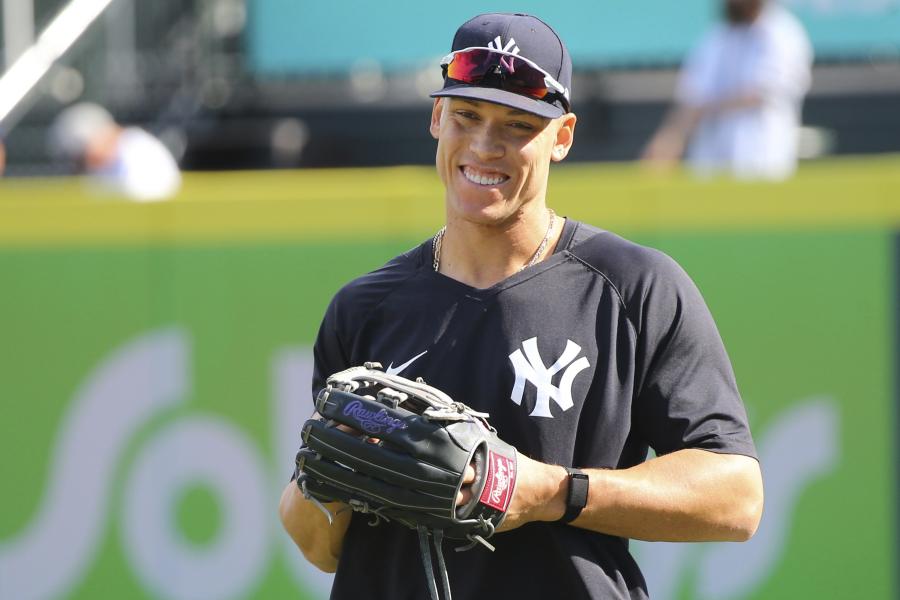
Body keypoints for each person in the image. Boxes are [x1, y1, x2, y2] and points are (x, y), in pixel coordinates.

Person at [280, 12, 763, 600]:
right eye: (467, 115)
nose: (485, 145)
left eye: (517, 125)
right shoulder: (364, 308)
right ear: (437, 118)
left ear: (562, 137)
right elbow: (321, 548)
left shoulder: (632, 287)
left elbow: (736, 497)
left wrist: (549, 493)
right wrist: (322, 486)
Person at [642, 0, 812, 180]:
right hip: (711, 160)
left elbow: (763, 93)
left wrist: (707, 106)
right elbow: (693, 94)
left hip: (762, 154)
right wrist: (670, 139)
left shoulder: (782, 32)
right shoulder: (718, 35)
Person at [48, 102, 181, 201]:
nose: (82, 162)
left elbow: (142, 200)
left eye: (82, 155)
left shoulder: (138, 150)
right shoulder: (105, 164)